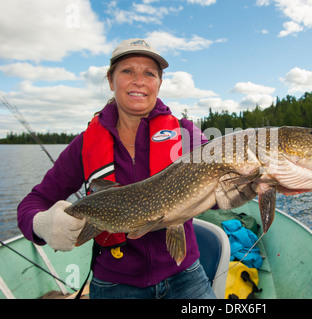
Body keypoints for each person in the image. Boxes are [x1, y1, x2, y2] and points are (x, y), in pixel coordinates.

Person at [17, 39, 216, 299]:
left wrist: (249, 184)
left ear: (159, 83)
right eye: (127, 71)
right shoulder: (85, 144)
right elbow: (32, 203)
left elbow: (218, 187)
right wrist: (42, 224)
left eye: (149, 73)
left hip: (185, 276)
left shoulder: (186, 134)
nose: (139, 80)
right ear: (111, 81)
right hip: (115, 286)